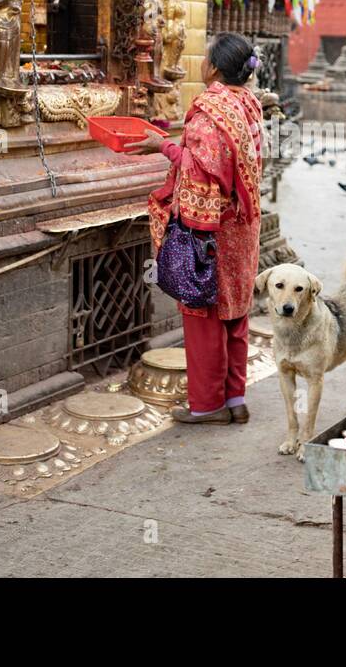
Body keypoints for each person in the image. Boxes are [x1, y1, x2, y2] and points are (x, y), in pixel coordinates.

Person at [128, 33, 263, 424]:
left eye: (205, 57)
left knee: (203, 315)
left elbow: (202, 167)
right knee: (235, 314)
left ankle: (207, 405)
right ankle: (235, 399)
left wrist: (162, 146)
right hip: (243, 224)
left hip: (212, 228)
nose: (201, 63)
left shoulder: (212, 108)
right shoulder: (248, 103)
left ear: (216, 68)